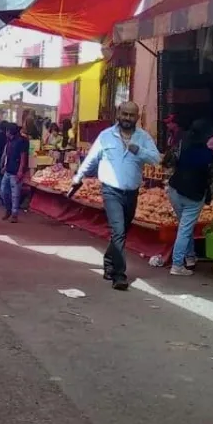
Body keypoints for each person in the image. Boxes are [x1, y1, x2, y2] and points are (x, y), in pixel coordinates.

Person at [69, 102, 161, 290]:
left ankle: (109, 263)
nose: (127, 118)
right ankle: (119, 275)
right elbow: (92, 158)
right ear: (119, 114)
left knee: (122, 232)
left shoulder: (143, 138)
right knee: (118, 231)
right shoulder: (106, 136)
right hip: (111, 191)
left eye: (131, 115)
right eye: (124, 114)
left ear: (137, 118)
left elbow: (156, 159)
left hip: (131, 192)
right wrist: (78, 177)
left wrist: (139, 150)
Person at [164, 119, 213, 276]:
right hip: (194, 196)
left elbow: (167, 162)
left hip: (175, 190)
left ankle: (189, 258)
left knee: (185, 227)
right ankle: (177, 265)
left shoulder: (181, 146)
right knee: (185, 229)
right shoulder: (208, 154)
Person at [0, 122, 29, 224]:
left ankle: (14, 214)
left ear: (9, 131)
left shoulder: (21, 141)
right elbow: (8, 155)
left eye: (7, 131)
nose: (5, 133)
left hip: (16, 172)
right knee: (3, 191)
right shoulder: (10, 141)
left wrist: (20, 171)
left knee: (15, 194)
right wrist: (4, 166)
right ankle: (8, 209)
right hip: (8, 170)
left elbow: (23, 157)